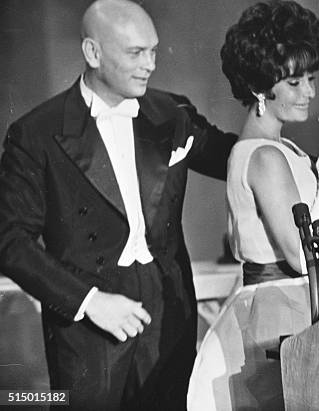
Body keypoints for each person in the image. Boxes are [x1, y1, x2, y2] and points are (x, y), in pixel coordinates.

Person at [0, 1, 236, 410]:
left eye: (154, 51)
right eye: (135, 53)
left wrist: (311, 167)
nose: (150, 65)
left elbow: (235, 156)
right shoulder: (36, 134)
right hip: (89, 325)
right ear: (93, 53)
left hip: (168, 312)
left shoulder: (171, 113)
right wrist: (91, 302)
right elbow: (9, 240)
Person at [187, 2, 319, 409]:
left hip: (297, 308)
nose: (310, 92)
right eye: (294, 82)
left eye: (311, 79)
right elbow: (301, 257)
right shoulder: (263, 158)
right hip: (276, 318)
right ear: (259, 88)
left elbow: (317, 241)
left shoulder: (281, 149)